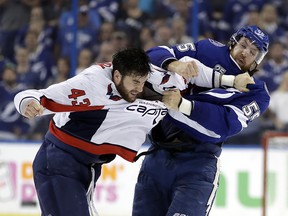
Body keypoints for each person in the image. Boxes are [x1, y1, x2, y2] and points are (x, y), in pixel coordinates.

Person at [13, 47, 250, 216]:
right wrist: (27, 103)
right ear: (116, 75)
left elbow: (197, 74)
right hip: (58, 161)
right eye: (133, 82)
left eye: (142, 81)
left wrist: (231, 81)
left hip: (87, 166)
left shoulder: (157, 78)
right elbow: (40, 95)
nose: (138, 88)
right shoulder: (91, 84)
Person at [132, 25, 270, 216]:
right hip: (157, 156)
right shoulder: (207, 50)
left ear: (257, 62)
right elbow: (153, 54)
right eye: (243, 45)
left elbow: (224, 124)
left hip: (197, 165)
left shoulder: (257, 93)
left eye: (253, 52)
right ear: (233, 42)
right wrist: (174, 64)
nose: (245, 52)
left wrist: (183, 105)